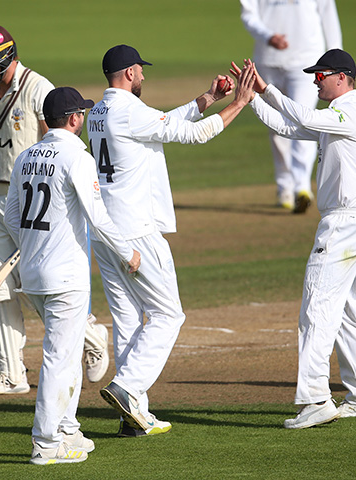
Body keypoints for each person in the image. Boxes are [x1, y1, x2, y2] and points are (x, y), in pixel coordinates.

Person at [87, 45, 256, 437]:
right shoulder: (130, 110)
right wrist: (240, 103)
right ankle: (128, 388)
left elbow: (162, 122)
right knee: (167, 315)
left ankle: (135, 415)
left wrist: (209, 99)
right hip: (137, 231)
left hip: (105, 233)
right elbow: (193, 135)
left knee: (129, 321)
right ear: (129, 73)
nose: (144, 77)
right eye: (141, 72)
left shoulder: (99, 111)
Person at [231, 49, 356, 428]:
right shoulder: (335, 117)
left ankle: (316, 399)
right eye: (314, 74)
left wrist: (266, 87)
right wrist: (251, 99)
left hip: (344, 224)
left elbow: (299, 115)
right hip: (352, 222)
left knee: (316, 307)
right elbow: (289, 127)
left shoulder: (349, 114)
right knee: (344, 313)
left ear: (343, 77)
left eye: (322, 74)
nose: (316, 79)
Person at [0, 24, 111, 395]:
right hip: (2, 196)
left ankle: (92, 336)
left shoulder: (37, 88)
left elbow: (55, 144)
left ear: (8, 53)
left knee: (33, 280)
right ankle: (11, 374)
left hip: (35, 201)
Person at [5, 87, 141, 464]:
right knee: (59, 356)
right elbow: (97, 217)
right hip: (65, 276)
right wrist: (128, 252)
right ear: (75, 118)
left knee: (66, 353)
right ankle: (46, 443)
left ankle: (66, 428)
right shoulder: (76, 157)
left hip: (32, 276)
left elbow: (11, 217)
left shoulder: (27, 155)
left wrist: (34, 247)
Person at [240, 0, 343, 213]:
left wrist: (336, 59)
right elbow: (248, 15)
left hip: (306, 60)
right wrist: (267, 36)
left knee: (302, 121)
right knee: (275, 126)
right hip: (268, 61)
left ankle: (301, 187)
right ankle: (285, 186)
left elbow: (329, 17)